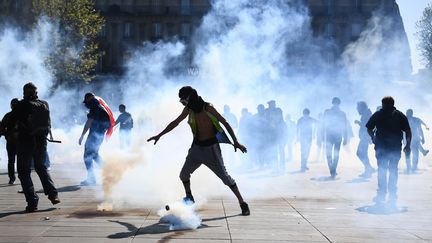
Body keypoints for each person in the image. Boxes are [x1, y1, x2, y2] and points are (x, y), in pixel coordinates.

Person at [147, 86, 250, 216]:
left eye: (184, 100)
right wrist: (159, 135)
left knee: (225, 178)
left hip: (211, 150)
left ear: (191, 97)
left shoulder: (208, 107)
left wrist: (235, 142)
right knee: (183, 174)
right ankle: (189, 197)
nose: (183, 103)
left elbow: (225, 122)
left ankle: (242, 203)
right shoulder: (188, 110)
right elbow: (175, 122)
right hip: (196, 149)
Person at [10, 83, 60, 212]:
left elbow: (10, 121)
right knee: (41, 168)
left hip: (25, 142)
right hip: (41, 141)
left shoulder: (21, 105)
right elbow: (48, 123)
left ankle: (32, 202)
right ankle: (53, 194)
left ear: (24, 92)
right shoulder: (44, 104)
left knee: (23, 171)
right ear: (36, 92)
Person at [366, 96, 411, 208]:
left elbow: (369, 128)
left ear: (383, 104)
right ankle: (391, 193)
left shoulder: (378, 114)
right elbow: (408, 131)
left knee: (382, 169)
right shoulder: (400, 115)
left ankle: (382, 193)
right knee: (393, 170)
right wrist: (408, 145)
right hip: (395, 146)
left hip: (381, 146)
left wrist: (373, 138)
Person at [79, 93, 115, 186]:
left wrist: (82, 135)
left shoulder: (94, 106)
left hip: (95, 135)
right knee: (94, 155)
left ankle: (91, 179)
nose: (85, 103)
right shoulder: (98, 106)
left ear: (89, 98)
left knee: (87, 156)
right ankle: (109, 171)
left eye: (86, 101)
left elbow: (89, 122)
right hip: (98, 134)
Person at [323, 97, 349, 179]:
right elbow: (323, 124)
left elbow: (345, 126)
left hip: (334, 136)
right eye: (335, 103)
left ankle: (333, 170)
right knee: (332, 154)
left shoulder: (340, 113)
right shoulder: (328, 112)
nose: (335, 105)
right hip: (332, 136)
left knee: (333, 154)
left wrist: (345, 138)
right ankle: (332, 170)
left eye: (336, 103)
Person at [0, 98, 20, 184]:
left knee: (11, 161)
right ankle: (23, 178)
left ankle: (12, 178)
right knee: (21, 160)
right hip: (21, 141)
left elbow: (1, 128)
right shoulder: (23, 115)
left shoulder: (8, 115)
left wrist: (5, 134)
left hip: (11, 141)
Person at [355, 101, 375, 178]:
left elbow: (366, 125)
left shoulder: (366, 114)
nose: (357, 109)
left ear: (362, 107)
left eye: (358, 107)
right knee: (363, 153)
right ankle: (368, 169)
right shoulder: (366, 113)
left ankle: (369, 169)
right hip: (365, 137)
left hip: (365, 137)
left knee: (360, 153)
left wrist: (358, 122)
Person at [404, 109, 425, 174]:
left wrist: (423, 137)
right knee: (410, 153)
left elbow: (420, 129)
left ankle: (413, 167)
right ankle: (410, 167)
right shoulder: (404, 119)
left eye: (409, 113)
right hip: (408, 139)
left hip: (413, 139)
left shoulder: (415, 120)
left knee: (414, 153)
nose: (408, 114)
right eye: (408, 113)